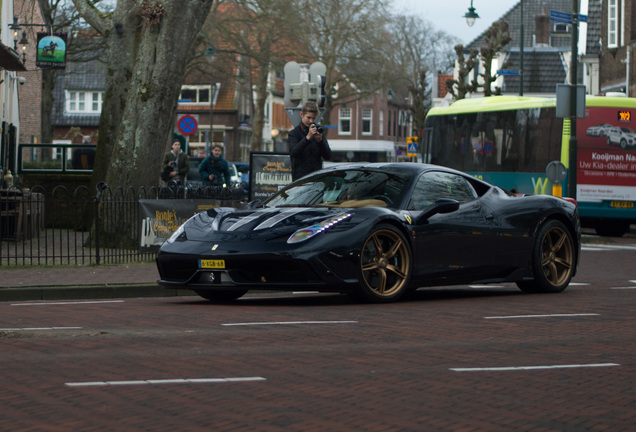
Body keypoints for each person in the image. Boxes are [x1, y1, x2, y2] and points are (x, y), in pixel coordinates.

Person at [288, 101, 332, 181]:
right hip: (300, 180)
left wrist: (320, 141)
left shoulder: (318, 131)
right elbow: (293, 153)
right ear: (301, 114)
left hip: (317, 179)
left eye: (313, 118)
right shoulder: (294, 133)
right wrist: (307, 138)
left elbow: (328, 156)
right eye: (308, 117)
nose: (311, 121)